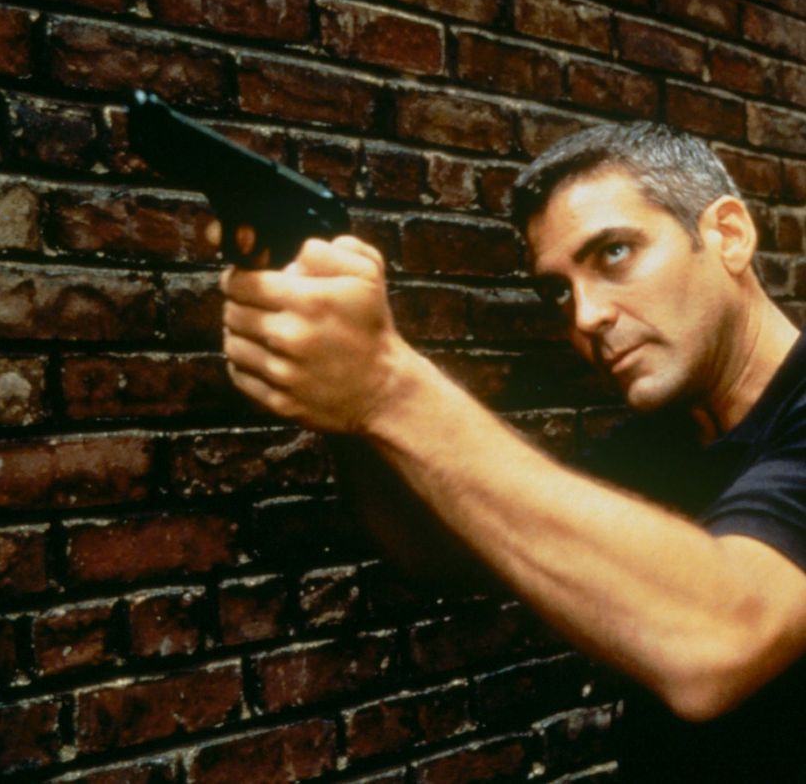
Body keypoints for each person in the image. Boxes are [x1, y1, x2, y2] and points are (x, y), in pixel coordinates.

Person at [220, 121, 806, 780]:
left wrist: (386, 384)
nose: (585, 316)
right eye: (558, 290)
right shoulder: (662, 441)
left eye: (613, 252)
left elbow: (718, 641)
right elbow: (442, 554)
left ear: (728, 234)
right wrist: (347, 410)